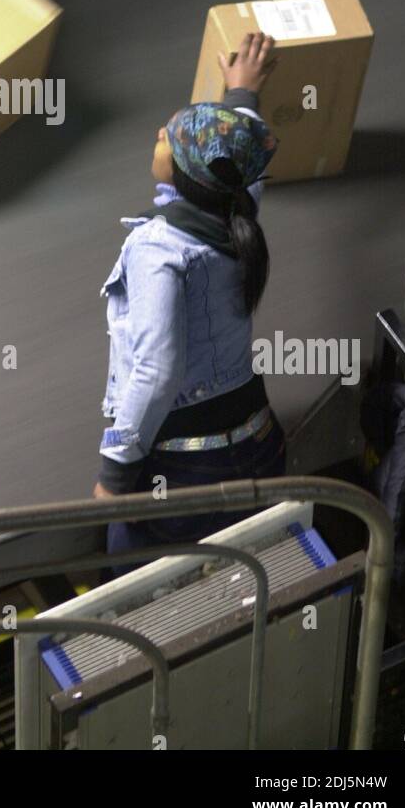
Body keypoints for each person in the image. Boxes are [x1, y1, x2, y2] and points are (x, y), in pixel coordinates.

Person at [94, 31, 286, 567]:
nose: (159, 133)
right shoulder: (237, 208)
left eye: (167, 139)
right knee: (242, 573)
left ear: (181, 171)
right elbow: (239, 159)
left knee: (132, 583)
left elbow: (156, 371)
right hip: (261, 446)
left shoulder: (156, 249)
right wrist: (242, 93)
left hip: (186, 471)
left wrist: (113, 477)